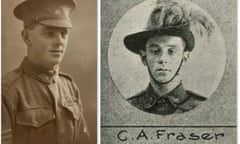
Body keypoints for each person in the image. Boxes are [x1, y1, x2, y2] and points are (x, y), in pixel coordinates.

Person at [2, 0, 91, 143]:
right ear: (26, 37)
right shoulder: (8, 90)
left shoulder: (69, 86)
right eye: (49, 33)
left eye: (63, 33)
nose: (59, 41)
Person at [124, 0, 214, 115]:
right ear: (143, 57)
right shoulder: (129, 107)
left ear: (184, 57)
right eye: (155, 51)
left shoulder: (203, 108)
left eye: (171, 51)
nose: (163, 59)